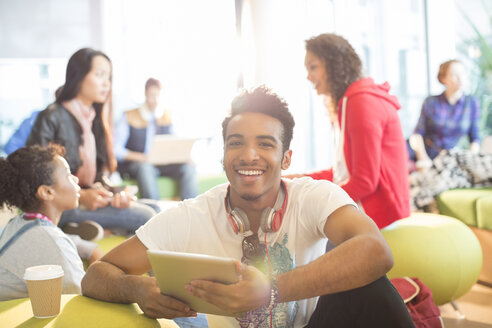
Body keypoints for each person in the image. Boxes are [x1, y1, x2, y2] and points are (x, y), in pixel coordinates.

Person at [82, 86, 414, 327]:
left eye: (265, 145)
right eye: (236, 143)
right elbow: (96, 276)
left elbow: (376, 251)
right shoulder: (190, 215)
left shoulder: (314, 196)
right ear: (223, 154)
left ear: (286, 159)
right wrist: (138, 288)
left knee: (370, 284)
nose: (248, 156)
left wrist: (270, 291)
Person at [26, 48, 156, 236]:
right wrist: (82, 196)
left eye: (109, 77)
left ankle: (82, 231)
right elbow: (35, 176)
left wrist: (115, 194)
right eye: (100, 75)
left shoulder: (93, 118)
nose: (106, 83)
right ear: (78, 76)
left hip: (85, 201)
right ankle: (83, 230)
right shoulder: (51, 116)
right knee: (147, 216)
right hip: (61, 207)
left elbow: (96, 178)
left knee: (156, 209)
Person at [285, 33, 410, 229]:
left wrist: (314, 204)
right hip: (369, 208)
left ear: (335, 66)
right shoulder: (351, 101)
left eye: (313, 67)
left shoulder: (360, 103)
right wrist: (291, 181)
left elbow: (365, 182)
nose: (309, 76)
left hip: (380, 215)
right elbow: (341, 174)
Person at [0, 144, 97, 300]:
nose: (76, 179)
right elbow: (81, 297)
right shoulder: (51, 240)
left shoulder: (20, 223)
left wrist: (91, 250)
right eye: (68, 175)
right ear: (47, 192)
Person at [114, 78, 198, 200]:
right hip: (139, 163)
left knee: (189, 167)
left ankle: (191, 210)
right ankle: (155, 211)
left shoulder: (166, 116)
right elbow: (116, 150)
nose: (155, 100)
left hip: (162, 163)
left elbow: (175, 143)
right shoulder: (128, 116)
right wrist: (141, 157)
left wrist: (185, 156)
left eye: (158, 96)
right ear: (145, 94)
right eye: (152, 96)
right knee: (145, 168)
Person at [409, 59, 481, 167]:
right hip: (427, 156)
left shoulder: (472, 103)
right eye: (454, 75)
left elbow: (475, 138)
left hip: (453, 160)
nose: (460, 78)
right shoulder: (431, 102)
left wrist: (469, 162)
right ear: (443, 79)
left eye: (462, 73)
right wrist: (423, 159)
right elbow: (416, 135)